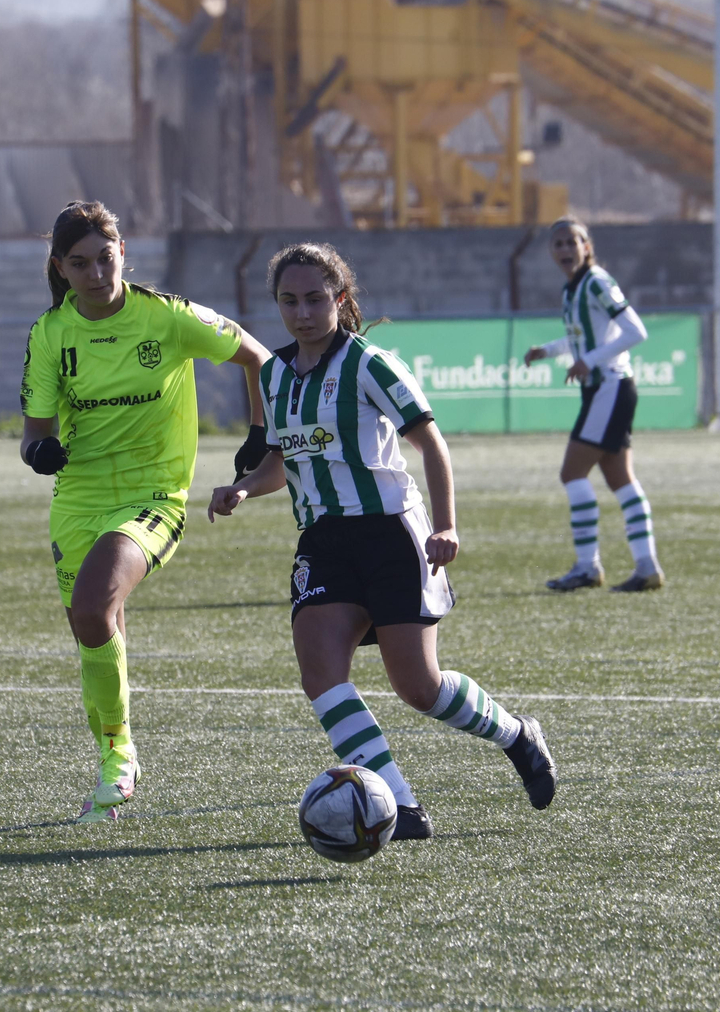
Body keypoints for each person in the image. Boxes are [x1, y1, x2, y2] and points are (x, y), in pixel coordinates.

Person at [207, 242, 557, 840]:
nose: (302, 313)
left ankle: (517, 734)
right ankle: (398, 805)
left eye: (316, 298)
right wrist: (243, 488)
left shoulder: (371, 364)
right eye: (289, 301)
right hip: (322, 541)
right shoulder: (271, 375)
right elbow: (283, 463)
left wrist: (445, 526)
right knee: (320, 672)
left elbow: (432, 445)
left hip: (391, 534)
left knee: (418, 688)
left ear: (340, 300)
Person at [19, 201, 271, 822]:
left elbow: (259, 359)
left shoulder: (168, 317)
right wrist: (40, 451)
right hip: (78, 500)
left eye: (106, 259)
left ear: (122, 253)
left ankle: (119, 757)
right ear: (60, 267)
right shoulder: (50, 334)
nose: (97, 274)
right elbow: (33, 433)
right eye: (80, 264)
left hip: (153, 497)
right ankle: (114, 754)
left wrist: (262, 433)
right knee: (93, 628)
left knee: (95, 600)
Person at [523, 216, 666, 593]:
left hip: (611, 387)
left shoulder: (598, 282)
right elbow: (581, 338)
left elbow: (636, 330)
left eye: (573, 242)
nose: (566, 249)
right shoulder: (573, 290)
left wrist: (591, 361)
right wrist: (548, 350)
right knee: (620, 480)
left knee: (572, 473)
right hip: (605, 389)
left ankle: (588, 567)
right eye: (559, 244)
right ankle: (647, 567)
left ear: (587, 246)